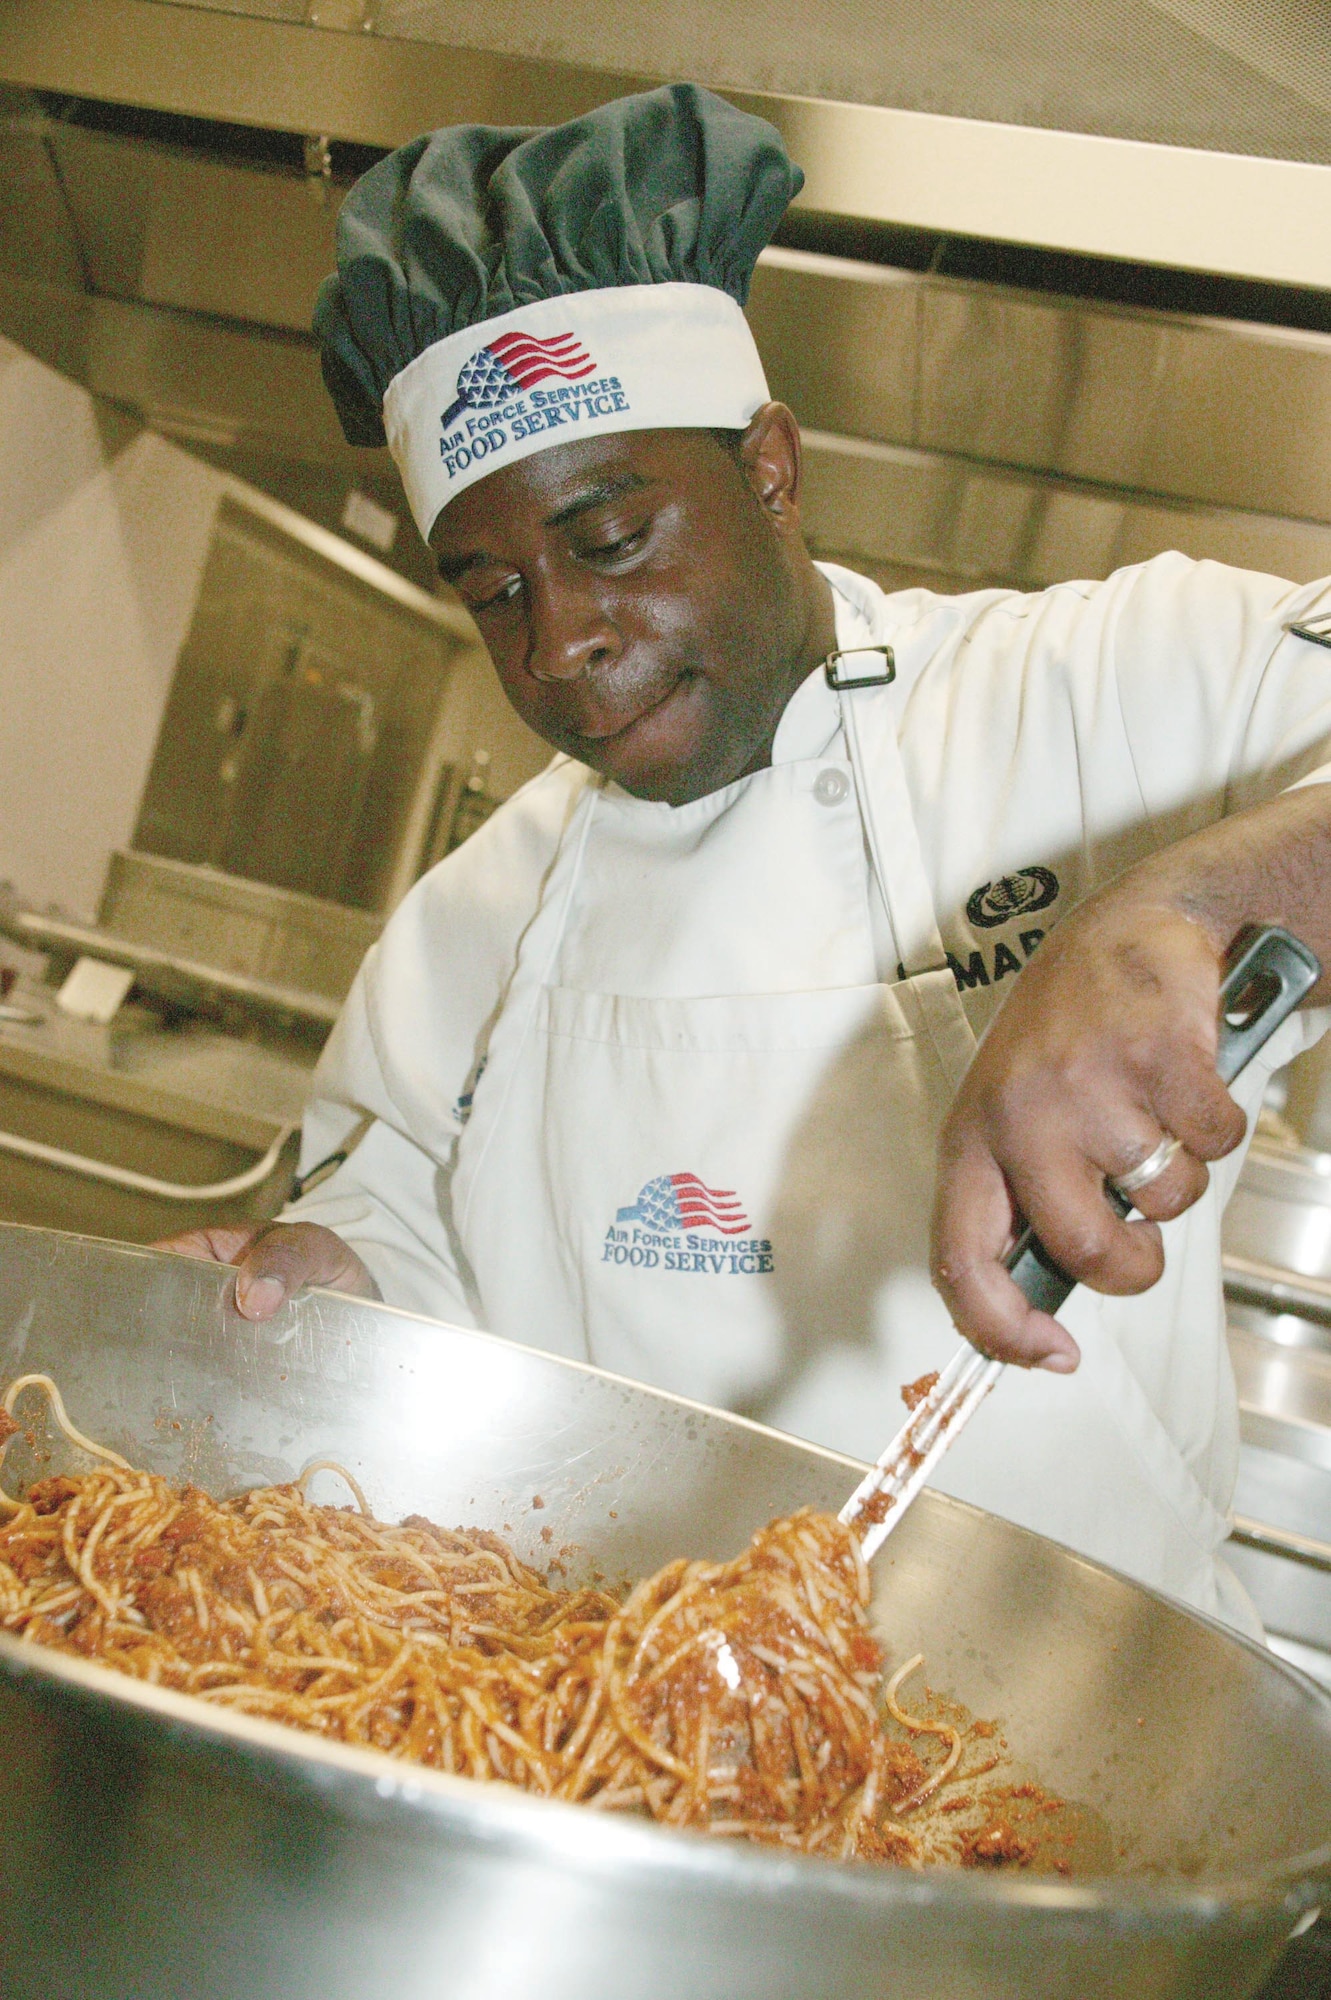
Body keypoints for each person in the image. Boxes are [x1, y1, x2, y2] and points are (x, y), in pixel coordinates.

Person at [163, 83, 1331, 1631]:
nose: (561, 642)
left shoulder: (1092, 697)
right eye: (492, 589)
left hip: (1088, 1710)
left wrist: (1200, 899)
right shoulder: (470, 929)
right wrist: (327, 1286)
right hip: (612, 1705)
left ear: (770, 467)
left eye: (610, 540)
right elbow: (406, 1233)